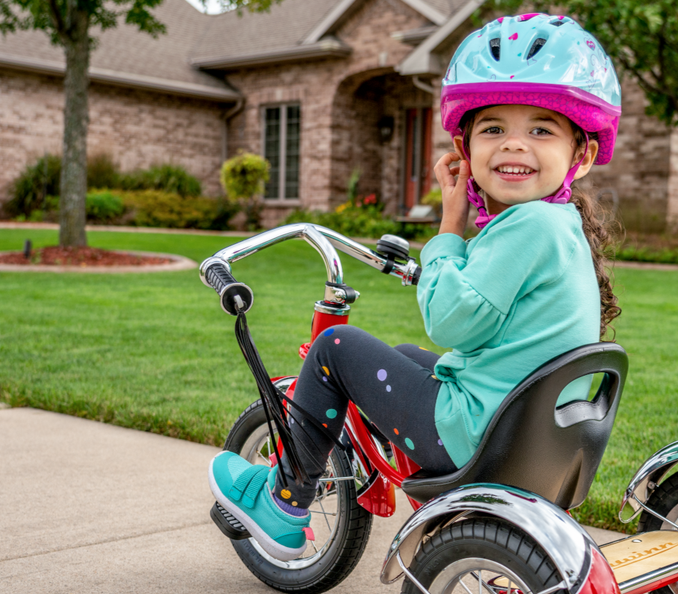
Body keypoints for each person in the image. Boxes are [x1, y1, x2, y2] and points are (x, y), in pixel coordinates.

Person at [210, 13, 623, 560]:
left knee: (336, 349)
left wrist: (449, 228)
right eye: (494, 128)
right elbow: (484, 323)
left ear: (583, 152)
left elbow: (451, 322)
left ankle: (284, 500)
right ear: (466, 147)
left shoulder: (528, 225)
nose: (514, 145)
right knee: (405, 356)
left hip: (478, 436)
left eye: (541, 129)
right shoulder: (560, 223)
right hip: (533, 432)